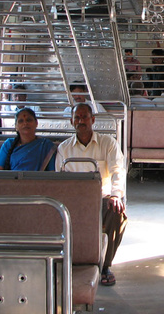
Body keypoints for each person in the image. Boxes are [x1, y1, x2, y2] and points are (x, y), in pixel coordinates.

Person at [57, 103, 127, 286]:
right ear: (71, 121)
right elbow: (59, 180)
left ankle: (104, 265)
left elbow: (118, 170)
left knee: (117, 214)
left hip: (102, 198)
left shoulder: (107, 143)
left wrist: (116, 195)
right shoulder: (64, 148)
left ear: (93, 120)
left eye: (84, 117)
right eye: (77, 118)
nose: (81, 121)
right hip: (74, 201)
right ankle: (72, 262)